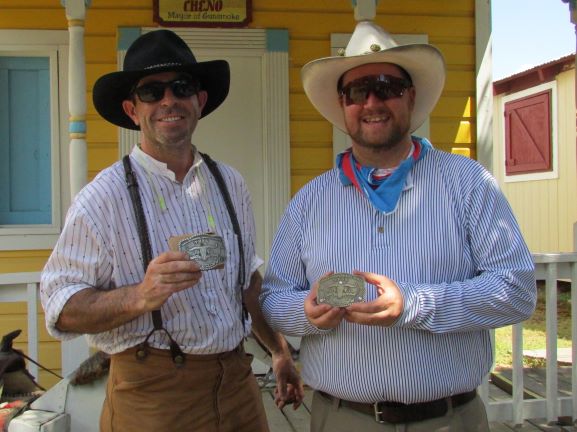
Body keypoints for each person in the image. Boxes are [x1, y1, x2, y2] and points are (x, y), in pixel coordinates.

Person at [260, 20, 537, 432]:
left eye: (387, 87)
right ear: (343, 104)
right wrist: (306, 312)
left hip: (448, 420)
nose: (372, 102)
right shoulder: (309, 200)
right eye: (358, 91)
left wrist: (413, 305)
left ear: (411, 96)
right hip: (342, 419)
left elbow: (516, 292)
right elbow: (272, 300)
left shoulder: (468, 183)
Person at [40, 29, 303, 432]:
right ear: (132, 110)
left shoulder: (230, 184)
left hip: (237, 386)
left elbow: (247, 284)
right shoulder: (102, 198)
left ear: (199, 101)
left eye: (181, 87)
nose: (169, 100)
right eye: (151, 91)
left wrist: (279, 352)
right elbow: (62, 307)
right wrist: (140, 296)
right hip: (153, 396)